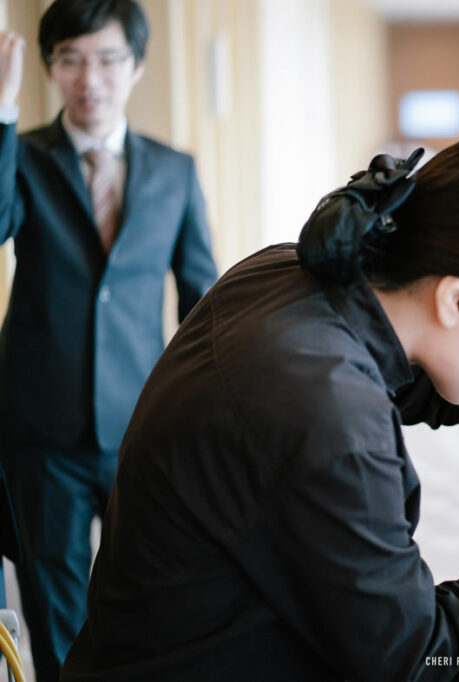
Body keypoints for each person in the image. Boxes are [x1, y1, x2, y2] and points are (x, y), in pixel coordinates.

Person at [60, 137, 459, 681]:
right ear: (457, 299)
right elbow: (418, 655)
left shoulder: (290, 276)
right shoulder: (325, 417)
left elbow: (407, 377)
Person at [0, 1, 218, 679]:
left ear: (137, 66)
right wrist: (1, 118)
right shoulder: (24, 157)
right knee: (54, 603)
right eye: (69, 59)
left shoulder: (174, 171)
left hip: (142, 423)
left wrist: (208, 412)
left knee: (153, 591)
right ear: (48, 69)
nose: (88, 77)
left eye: (105, 58)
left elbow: (200, 297)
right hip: (41, 431)